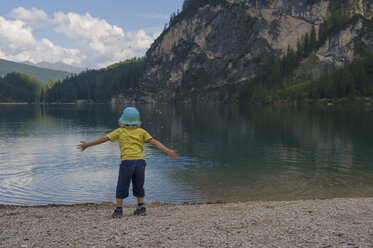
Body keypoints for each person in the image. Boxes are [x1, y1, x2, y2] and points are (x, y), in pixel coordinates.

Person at [77, 107, 177, 218]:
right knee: (139, 185)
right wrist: (168, 151)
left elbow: (104, 138)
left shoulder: (120, 131)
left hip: (127, 163)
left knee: (121, 185)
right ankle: (141, 207)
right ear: (137, 121)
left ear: (122, 121)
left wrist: (88, 144)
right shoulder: (141, 131)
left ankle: (119, 210)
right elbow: (154, 142)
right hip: (140, 162)